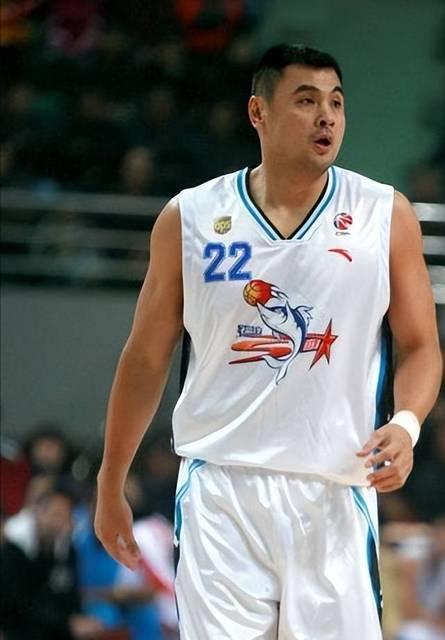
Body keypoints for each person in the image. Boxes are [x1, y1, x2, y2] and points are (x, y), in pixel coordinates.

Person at [94, 44, 443, 640]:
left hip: (336, 488)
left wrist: (407, 425)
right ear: (258, 112)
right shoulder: (190, 216)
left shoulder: (385, 214)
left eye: (336, 103)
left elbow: (420, 345)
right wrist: (110, 481)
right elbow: (146, 358)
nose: (326, 116)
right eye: (306, 101)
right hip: (221, 491)